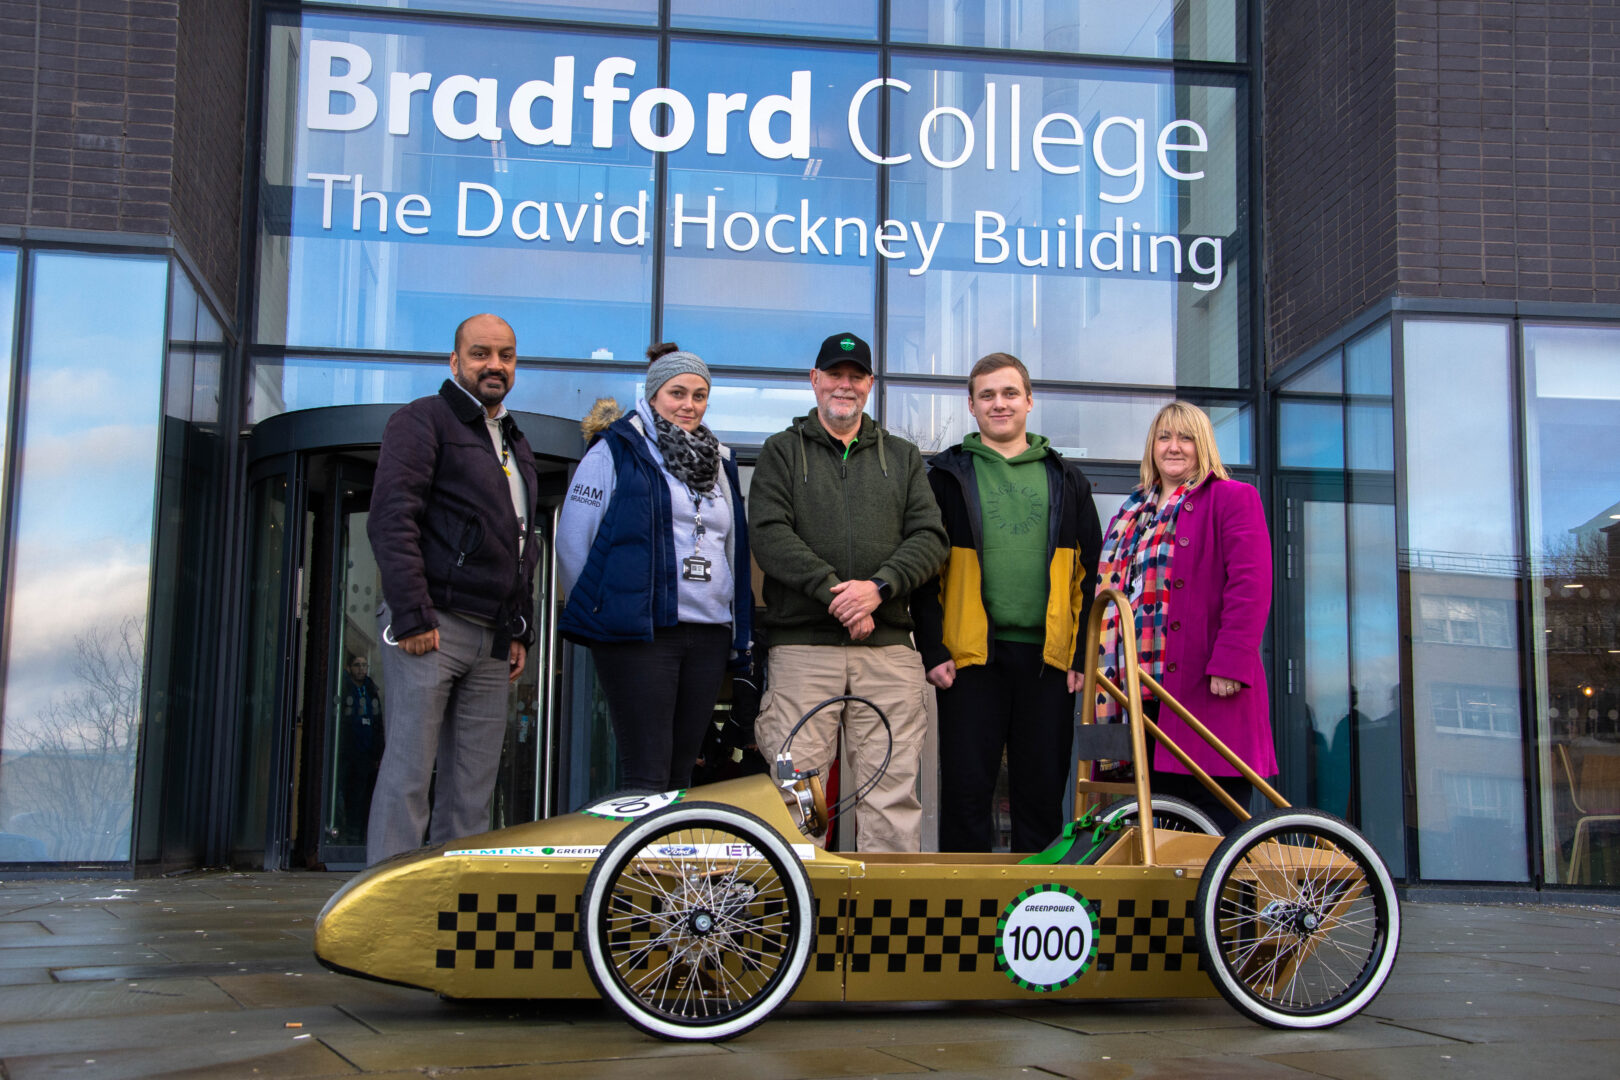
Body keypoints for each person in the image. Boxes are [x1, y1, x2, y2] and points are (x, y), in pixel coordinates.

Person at [749, 331, 947, 852]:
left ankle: (884, 928)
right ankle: (803, 923)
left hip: (886, 653)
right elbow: (769, 535)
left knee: (892, 794)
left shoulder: (902, 457)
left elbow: (930, 538)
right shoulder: (780, 453)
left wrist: (879, 590)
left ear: (870, 385)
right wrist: (841, 595)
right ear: (814, 381)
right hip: (802, 652)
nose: (845, 385)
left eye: (856, 376)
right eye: (834, 374)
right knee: (798, 797)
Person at [365, 313, 540, 865]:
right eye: (481, 353)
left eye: (506, 355)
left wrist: (519, 629)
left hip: (492, 640)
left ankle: (449, 916)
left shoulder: (515, 442)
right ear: (455, 361)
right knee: (408, 778)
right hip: (432, 627)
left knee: (471, 794)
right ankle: (379, 914)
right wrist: (413, 615)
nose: (495, 365)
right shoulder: (422, 421)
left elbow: (519, 546)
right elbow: (393, 520)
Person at [911, 353, 1102, 852]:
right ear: (971, 406)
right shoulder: (946, 477)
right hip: (971, 660)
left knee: (1040, 799)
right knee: (967, 798)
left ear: (1030, 402)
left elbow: (1089, 576)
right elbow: (924, 571)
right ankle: (964, 921)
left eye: (1010, 393)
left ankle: (1038, 913)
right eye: (988, 395)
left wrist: (1082, 654)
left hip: (1048, 662)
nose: (1000, 403)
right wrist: (933, 650)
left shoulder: (1068, 479)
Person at [557, 342, 751, 793]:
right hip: (641, 633)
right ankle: (634, 865)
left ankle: (668, 866)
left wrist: (739, 631)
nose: (688, 405)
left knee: (683, 773)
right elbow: (573, 541)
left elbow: (732, 547)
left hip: (708, 632)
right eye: (677, 393)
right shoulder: (617, 450)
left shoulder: (720, 461)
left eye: (699, 395)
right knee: (646, 772)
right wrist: (601, 609)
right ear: (653, 395)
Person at [1093, 400, 1274, 831]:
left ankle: (1228, 900)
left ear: (1203, 445)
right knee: (1153, 821)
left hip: (1204, 685)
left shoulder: (1232, 498)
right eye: (1164, 437)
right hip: (1136, 689)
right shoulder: (1131, 513)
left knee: (1214, 817)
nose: (1174, 447)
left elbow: (1250, 587)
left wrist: (1231, 662)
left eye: (1186, 437)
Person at [337, 654, 384, 834]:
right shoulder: (344, 687)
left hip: (366, 753)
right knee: (346, 792)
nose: (361, 669)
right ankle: (346, 831)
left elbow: (378, 723)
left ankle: (356, 832)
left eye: (365, 665)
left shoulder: (371, 689)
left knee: (361, 794)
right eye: (357, 665)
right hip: (346, 751)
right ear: (349, 668)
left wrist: (377, 753)